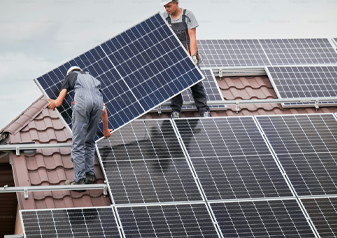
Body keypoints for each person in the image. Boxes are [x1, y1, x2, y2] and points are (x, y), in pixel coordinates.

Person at [48, 66, 112, 192]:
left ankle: (80, 181)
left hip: (82, 104)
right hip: (98, 106)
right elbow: (103, 110)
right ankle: (90, 175)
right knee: (89, 141)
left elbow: (59, 101)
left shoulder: (70, 76)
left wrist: (53, 103)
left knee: (78, 144)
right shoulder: (93, 80)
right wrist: (105, 129)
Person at [161, 0, 210, 118]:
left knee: (196, 83)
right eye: (165, 6)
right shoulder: (164, 17)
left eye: (169, 6)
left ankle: (203, 110)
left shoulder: (187, 15)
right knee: (174, 84)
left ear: (176, 3)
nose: (167, 9)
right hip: (173, 57)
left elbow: (192, 36)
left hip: (188, 55)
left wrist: (193, 56)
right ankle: (176, 110)